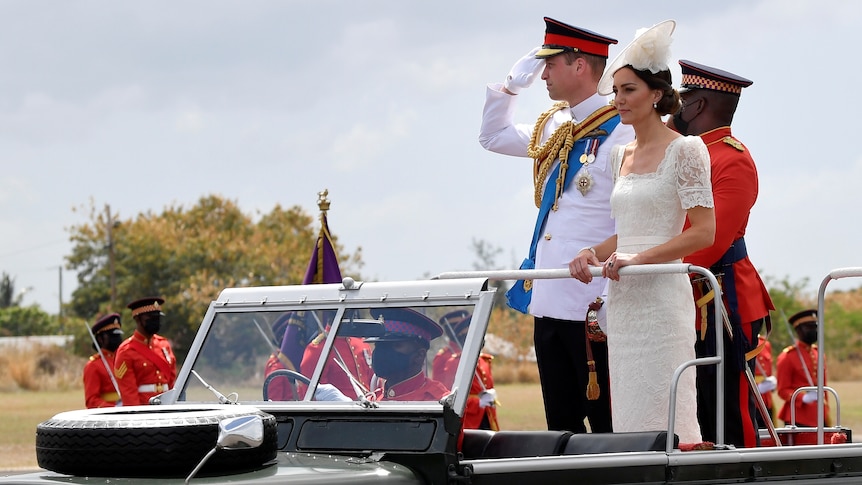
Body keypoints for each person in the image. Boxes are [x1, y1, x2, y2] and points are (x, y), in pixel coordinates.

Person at [479, 16, 634, 434]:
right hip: (548, 297)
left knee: (607, 428)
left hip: (594, 305)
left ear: (580, 65)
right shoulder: (555, 125)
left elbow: (633, 220)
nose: (543, 73)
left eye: (551, 64)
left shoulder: (624, 132)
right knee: (559, 431)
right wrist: (511, 87)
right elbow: (492, 137)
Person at [568, 20, 714, 444]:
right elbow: (627, 233)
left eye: (628, 89)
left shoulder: (686, 149)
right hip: (625, 300)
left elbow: (704, 232)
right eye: (615, 91)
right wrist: (591, 252)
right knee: (629, 416)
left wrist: (639, 259)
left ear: (656, 94)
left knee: (670, 411)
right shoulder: (619, 156)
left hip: (662, 301)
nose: (618, 100)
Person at [667, 59, 776, 448]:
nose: (673, 108)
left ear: (695, 106)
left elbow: (708, 244)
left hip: (721, 299)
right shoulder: (683, 152)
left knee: (726, 409)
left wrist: (646, 266)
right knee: (689, 408)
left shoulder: (732, 159)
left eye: (681, 99)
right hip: (680, 294)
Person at [434, 310, 499, 431]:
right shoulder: (452, 361)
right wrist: (478, 402)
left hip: (486, 418)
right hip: (467, 421)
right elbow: (445, 394)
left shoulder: (484, 360)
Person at [366, 308, 449, 402]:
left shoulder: (438, 401)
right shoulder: (371, 401)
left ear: (419, 355)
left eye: (396, 345)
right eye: (379, 345)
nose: (382, 352)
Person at [114, 297, 177, 406]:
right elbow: (129, 393)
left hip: (167, 406)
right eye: (151, 318)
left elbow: (172, 382)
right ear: (138, 319)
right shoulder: (126, 350)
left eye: (157, 317)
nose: (156, 321)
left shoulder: (164, 345)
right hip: (144, 410)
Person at [776, 309, 829, 427]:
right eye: (809, 327)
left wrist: (826, 408)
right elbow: (782, 390)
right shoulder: (787, 357)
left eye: (815, 327)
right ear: (799, 330)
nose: (814, 331)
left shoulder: (818, 353)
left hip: (820, 414)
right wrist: (803, 397)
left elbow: (824, 387)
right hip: (798, 416)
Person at [82, 313, 124, 408]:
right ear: (100, 339)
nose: (117, 339)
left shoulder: (124, 359)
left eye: (118, 335)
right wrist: (114, 408)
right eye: (112, 336)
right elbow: (92, 401)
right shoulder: (93, 366)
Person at [754, 334, 777, 428]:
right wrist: (756, 387)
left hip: (766, 400)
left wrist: (772, 383)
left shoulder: (765, 343)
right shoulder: (741, 341)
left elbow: (768, 371)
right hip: (751, 399)